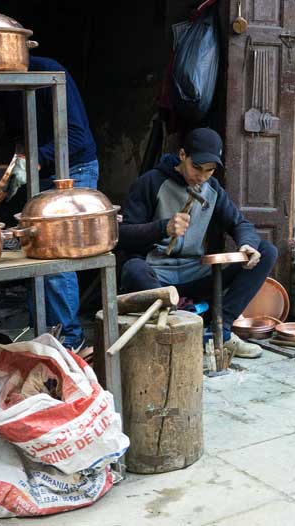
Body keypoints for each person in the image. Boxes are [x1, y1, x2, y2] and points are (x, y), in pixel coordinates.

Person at [117, 127, 278, 359]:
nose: (202, 177)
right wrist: (163, 228)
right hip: (156, 273)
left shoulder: (212, 190)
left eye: (209, 171)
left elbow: (239, 223)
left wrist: (246, 244)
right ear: (182, 155)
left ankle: (219, 330)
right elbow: (123, 235)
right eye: (197, 168)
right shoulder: (150, 182)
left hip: (194, 272)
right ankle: (178, 326)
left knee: (266, 251)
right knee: (133, 270)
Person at [27, 55, 99, 349]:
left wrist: (34, 158)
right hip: (44, 170)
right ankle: (44, 332)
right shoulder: (3, 84)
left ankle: (70, 338)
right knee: (34, 253)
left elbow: (76, 136)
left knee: (58, 254)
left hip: (76, 170)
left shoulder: (49, 73)